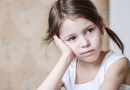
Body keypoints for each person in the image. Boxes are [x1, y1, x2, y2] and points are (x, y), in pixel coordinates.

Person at [37, 0, 130, 90]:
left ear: (100, 26)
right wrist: (66, 57)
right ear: (60, 42)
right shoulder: (68, 70)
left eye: (89, 30)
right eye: (72, 38)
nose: (85, 43)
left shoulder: (117, 63)